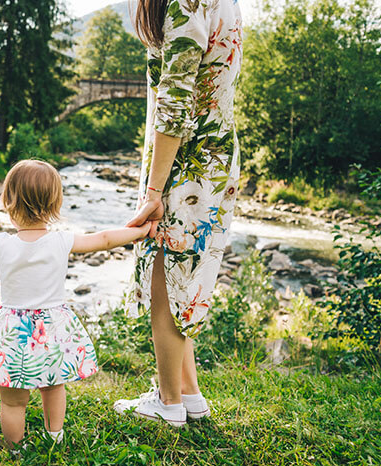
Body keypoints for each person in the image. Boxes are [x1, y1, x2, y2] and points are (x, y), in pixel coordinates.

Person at [0, 160, 150, 448]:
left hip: (12, 333)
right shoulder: (62, 241)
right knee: (53, 386)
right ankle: (54, 436)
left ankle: (13, 448)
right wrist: (139, 231)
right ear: (55, 203)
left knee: (13, 401)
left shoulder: (1, 244)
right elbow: (106, 239)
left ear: (8, 202)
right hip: (50, 331)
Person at [114, 0, 243, 426]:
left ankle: (168, 402)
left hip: (188, 161)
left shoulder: (184, 3)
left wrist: (153, 188)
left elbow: (174, 100)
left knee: (166, 276)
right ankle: (189, 394)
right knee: (185, 276)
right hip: (215, 152)